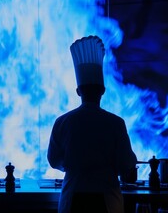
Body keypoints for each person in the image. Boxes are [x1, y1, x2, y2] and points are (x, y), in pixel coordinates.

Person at [47, 35, 137, 213]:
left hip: (72, 197)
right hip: (107, 199)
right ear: (103, 91)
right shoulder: (116, 123)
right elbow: (126, 163)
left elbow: (53, 159)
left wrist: (73, 165)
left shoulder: (63, 122)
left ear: (78, 91)